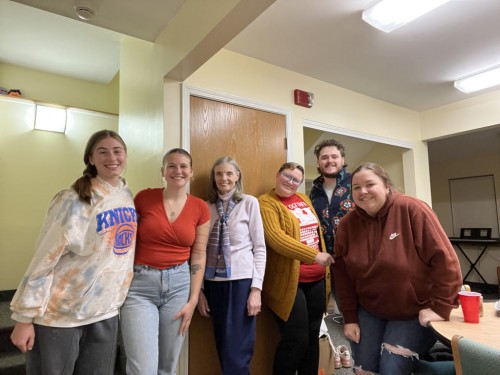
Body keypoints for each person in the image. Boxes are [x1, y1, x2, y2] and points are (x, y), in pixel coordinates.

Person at [10, 129, 137, 374]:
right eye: (102, 151)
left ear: (125, 155)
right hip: (63, 313)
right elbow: (43, 259)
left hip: (105, 311)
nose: (111, 157)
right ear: (90, 158)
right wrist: (24, 317)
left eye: (117, 151)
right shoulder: (73, 199)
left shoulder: (126, 195)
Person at [333, 162, 463, 375]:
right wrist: (350, 318)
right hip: (370, 310)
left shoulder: (411, 208)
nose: (362, 191)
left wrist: (441, 307)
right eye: (356, 187)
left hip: (412, 311)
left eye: (369, 184)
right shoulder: (347, 225)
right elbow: (343, 275)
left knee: (392, 369)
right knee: (363, 370)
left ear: (387, 186)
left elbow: (445, 260)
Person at [120, 148, 210, 375]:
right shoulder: (143, 198)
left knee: (166, 367)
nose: (177, 171)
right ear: (163, 171)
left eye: (183, 166)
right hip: (140, 287)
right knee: (142, 369)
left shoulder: (200, 208)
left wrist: (192, 300)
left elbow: (199, 254)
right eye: (171, 166)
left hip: (179, 286)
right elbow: (126, 242)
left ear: (191, 172)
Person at [258, 161, 334, 375]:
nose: (290, 182)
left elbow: (317, 234)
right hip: (290, 282)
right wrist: (314, 256)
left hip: (317, 280)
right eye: (287, 176)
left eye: (296, 180)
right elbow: (277, 240)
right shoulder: (265, 203)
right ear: (278, 174)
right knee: (296, 339)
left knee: (312, 338)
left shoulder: (304, 199)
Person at [197, 156, 266, 375]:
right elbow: (198, 250)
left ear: (237, 176)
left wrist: (256, 290)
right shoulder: (205, 206)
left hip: (241, 282)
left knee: (239, 348)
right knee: (223, 344)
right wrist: (198, 291)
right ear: (213, 178)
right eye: (219, 173)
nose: (223, 178)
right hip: (213, 282)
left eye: (229, 173)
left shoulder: (249, 203)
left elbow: (260, 248)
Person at [309, 139, 355, 321]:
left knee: (368, 311)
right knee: (345, 313)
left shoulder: (356, 182)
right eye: (324, 157)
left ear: (342, 159)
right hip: (330, 263)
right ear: (318, 162)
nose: (330, 161)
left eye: (334, 156)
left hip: (358, 261)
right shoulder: (314, 191)